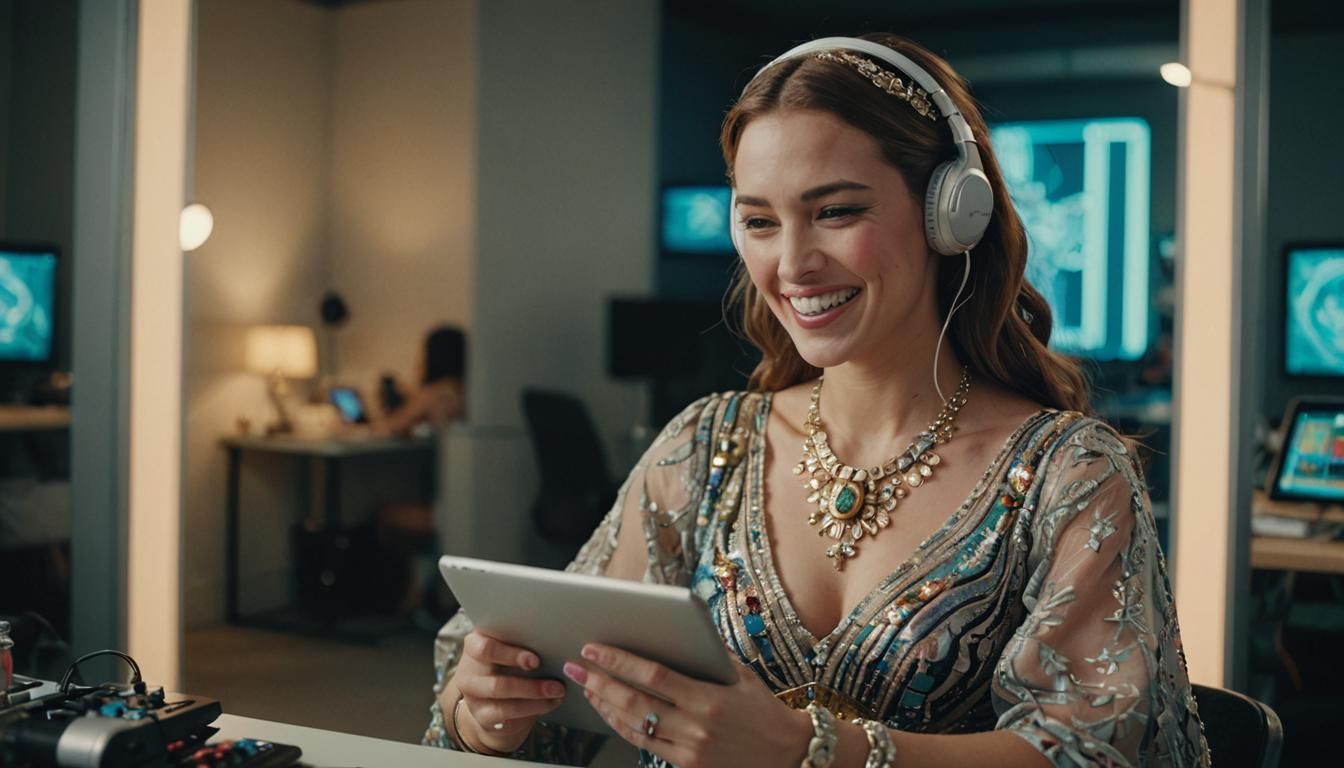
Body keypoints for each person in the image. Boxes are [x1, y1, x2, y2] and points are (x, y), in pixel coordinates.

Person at [424, 35, 1210, 767]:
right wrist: (485, 711)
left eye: (835, 211)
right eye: (760, 221)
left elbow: (1094, 750)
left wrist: (808, 750)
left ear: (950, 214)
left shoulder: (1067, 475)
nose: (792, 264)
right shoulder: (702, 448)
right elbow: (561, 706)